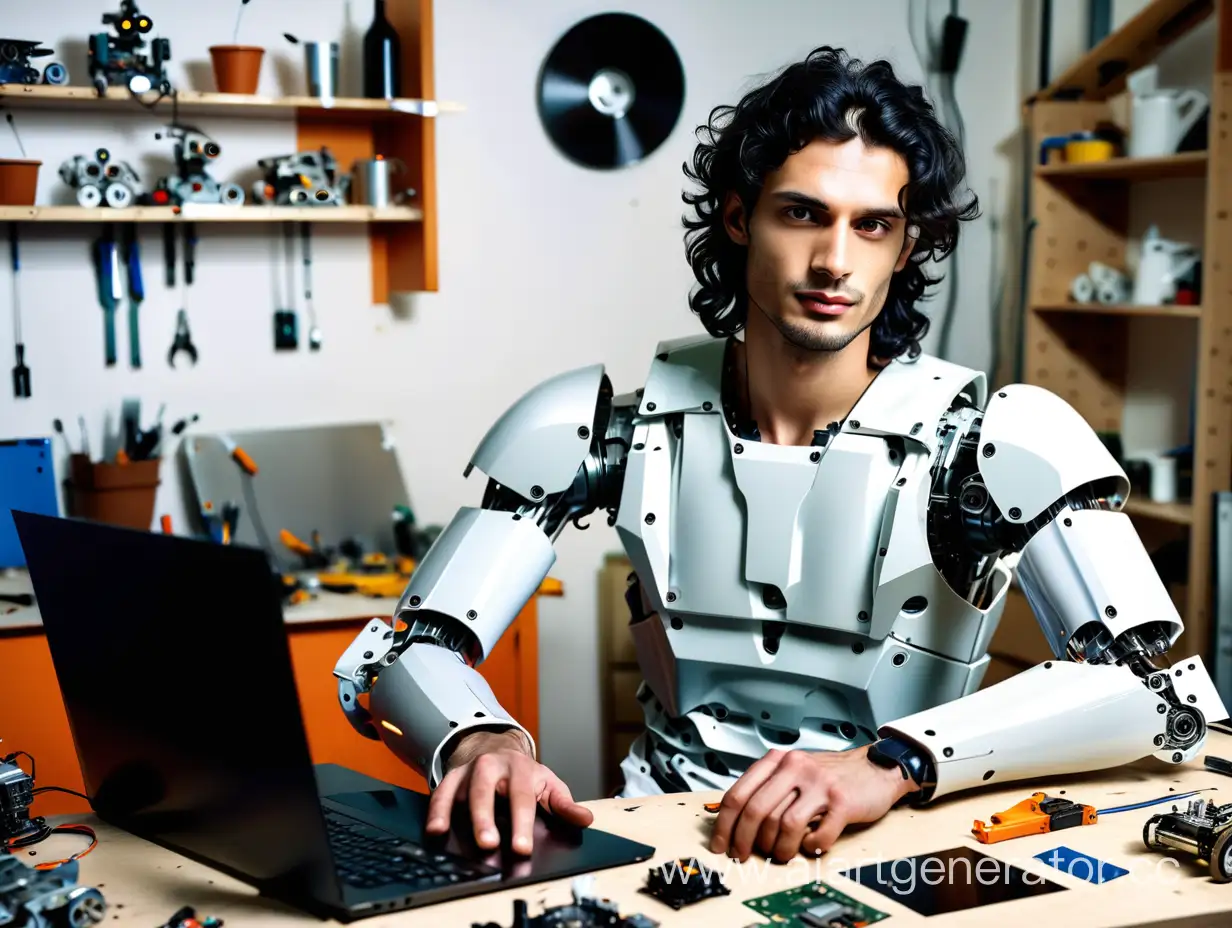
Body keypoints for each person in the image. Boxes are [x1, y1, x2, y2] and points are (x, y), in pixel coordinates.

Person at [332, 46, 1224, 866]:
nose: (836, 260)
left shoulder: (990, 448)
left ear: (907, 245)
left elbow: (1160, 701)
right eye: (803, 214)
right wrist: (482, 740)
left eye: (873, 227)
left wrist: (896, 761)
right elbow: (401, 654)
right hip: (666, 839)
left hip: (899, 834)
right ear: (737, 217)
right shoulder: (601, 427)